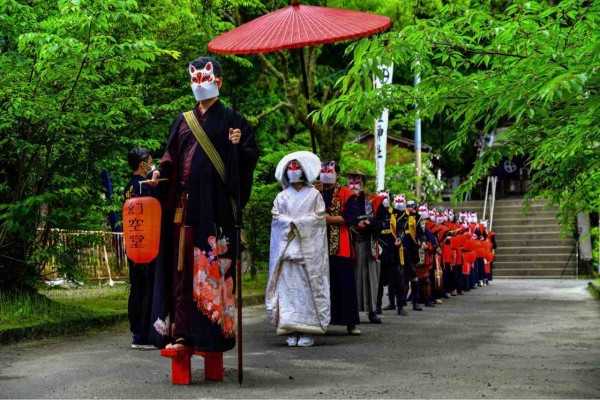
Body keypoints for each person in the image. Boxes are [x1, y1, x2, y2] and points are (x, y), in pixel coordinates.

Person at [149, 56, 259, 352]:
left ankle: (211, 333)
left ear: (219, 82)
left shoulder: (234, 121)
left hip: (214, 209)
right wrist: (161, 172)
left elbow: (247, 162)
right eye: (194, 79)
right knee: (181, 266)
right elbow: (170, 155)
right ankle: (181, 330)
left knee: (208, 266)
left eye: (205, 79)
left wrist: (239, 147)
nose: (199, 84)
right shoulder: (182, 121)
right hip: (183, 205)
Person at [266, 152, 330, 347]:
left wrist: (298, 223)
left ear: (304, 170)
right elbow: (277, 218)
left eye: (297, 167)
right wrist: (290, 223)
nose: (293, 171)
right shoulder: (282, 196)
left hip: (306, 252)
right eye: (290, 168)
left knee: (307, 290)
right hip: (286, 252)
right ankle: (290, 328)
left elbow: (319, 219)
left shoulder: (314, 195)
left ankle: (307, 330)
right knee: (288, 291)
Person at [317, 161, 361, 335]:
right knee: (322, 284)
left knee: (345, 283)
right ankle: (322, 320)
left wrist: (330, 219)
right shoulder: (314, 191)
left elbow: (350, 218)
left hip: (340, 245)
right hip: (318, 245)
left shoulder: (347, 193)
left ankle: (351, 322)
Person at [125, 147, 159, 349]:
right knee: (147, 289)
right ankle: (143, 334)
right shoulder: (145, 186)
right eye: (150, 161)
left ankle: (136, 332)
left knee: (136, 287)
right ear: (142, 164)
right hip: (148, 244)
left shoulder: (128, 187)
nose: (152, 164)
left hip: (133, 244)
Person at [346, 173, 383, 324]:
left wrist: (369, 222)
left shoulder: (373, 200)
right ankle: (351, 311)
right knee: (351, 277)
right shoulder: (341, 199)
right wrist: (354, 224)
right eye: (351, 180)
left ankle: (372, 311)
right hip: (349, 243)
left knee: (371, 277)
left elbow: (383, 222)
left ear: (363, 183)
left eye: (357, 180)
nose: (354, 183)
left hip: (369, 243)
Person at [395, 199, 427, 312]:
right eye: (408, 206)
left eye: (412, 207)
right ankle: (400, 302)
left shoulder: (417, 218)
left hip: (412, 250)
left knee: (413, 274)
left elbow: (421, 232)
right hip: (400, 249)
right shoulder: (400, 216)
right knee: (400, 276)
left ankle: (415, 302)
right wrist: (399, 238)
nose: (410, 209)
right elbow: (398, 229)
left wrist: (423, 241)